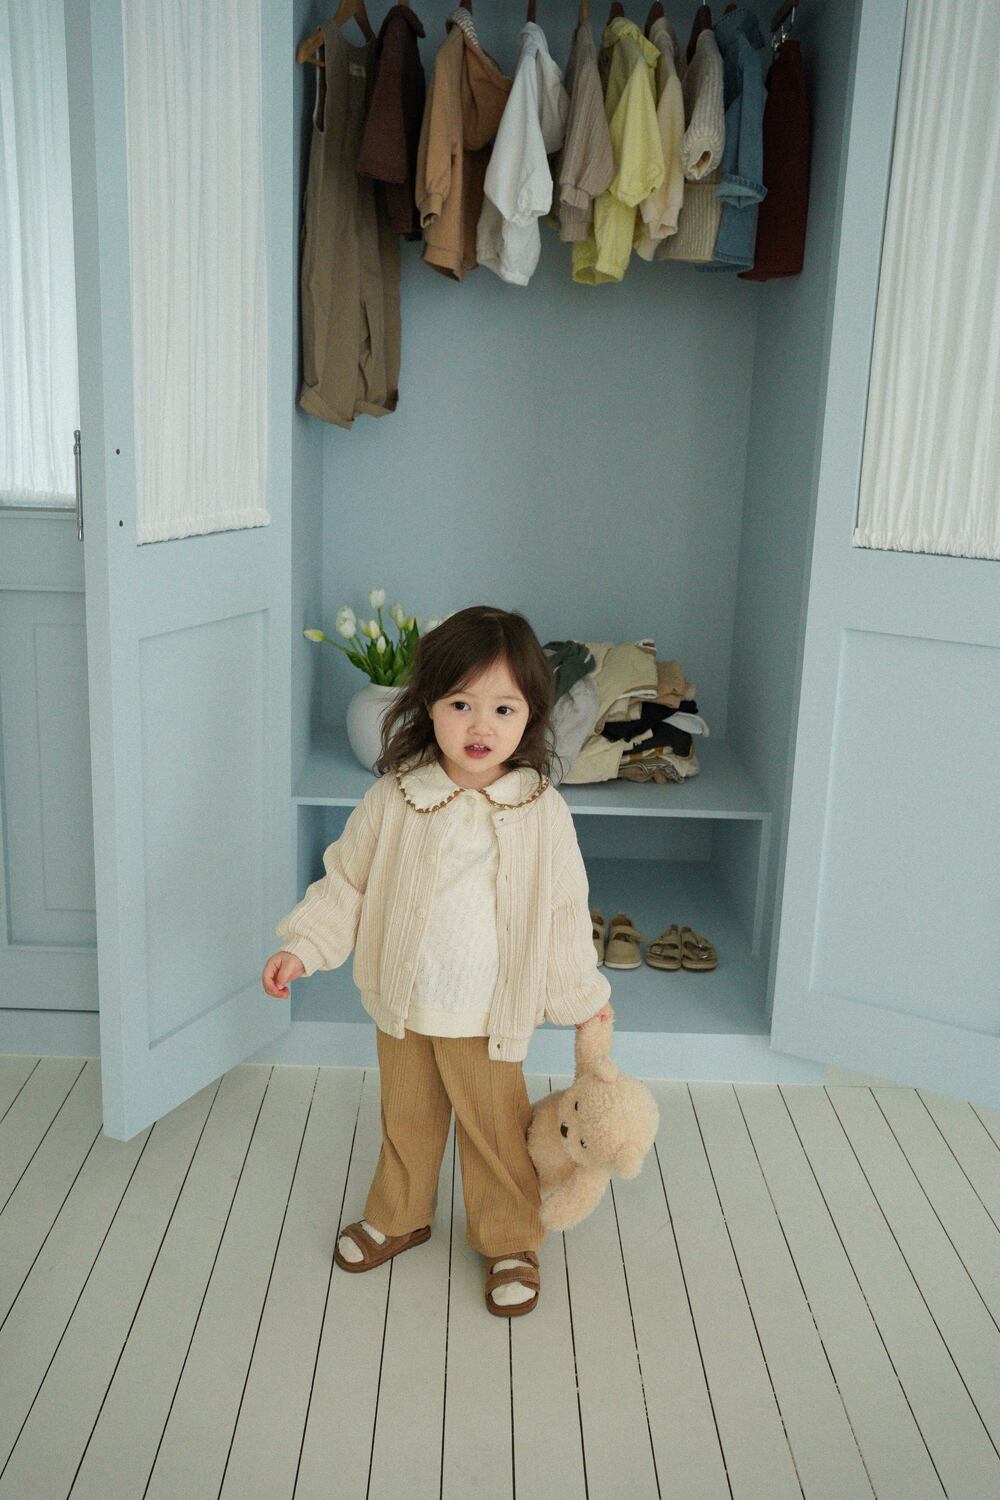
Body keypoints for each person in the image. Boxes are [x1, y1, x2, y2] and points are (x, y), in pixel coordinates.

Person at [261, 604, 612, 1317]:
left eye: (503, 708)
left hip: (487, 1013)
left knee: (496, 1135)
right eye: (461, 704)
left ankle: (510, 1238)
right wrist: (304, 945)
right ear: (429, 706)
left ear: (530, 716)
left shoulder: (540, 811)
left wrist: (581, 997)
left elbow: (563, 909)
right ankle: (399, 1215)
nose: (481, 726)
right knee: (407, 1122)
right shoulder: (397, 798)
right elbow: (347, 881)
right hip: (405, 1002)